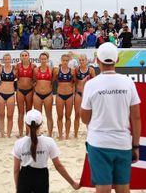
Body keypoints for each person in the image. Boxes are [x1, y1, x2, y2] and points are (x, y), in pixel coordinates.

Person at [81, 42, 141, 193]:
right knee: (123, 189)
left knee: (103, 189)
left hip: (99, 143)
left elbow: (84, 119)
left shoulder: (91, 84)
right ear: (117, 60)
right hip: (123, 143)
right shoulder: (128, 82)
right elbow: (136, 118)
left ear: (97, 60)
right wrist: (136, 146)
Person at [12, 109, 80, 192]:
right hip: (41, 176)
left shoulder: (19, 143)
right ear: (41, 124)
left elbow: (16, 170)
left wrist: (17, 187)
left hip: (25, 177)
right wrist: (72, 183)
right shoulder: (49, 142)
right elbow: (58, 166)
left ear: (26, 124)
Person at [74, 54, 95, 138]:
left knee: (89, 115)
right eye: (80, 60)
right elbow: (75, 82)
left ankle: (90, 133)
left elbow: (95, 83)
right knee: (77, 114)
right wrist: (82, 81)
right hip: (79, 93)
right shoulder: (76, 69)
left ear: (86, 61)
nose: (81, 62)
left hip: (88, 95)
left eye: (83, 60)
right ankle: (75, 134)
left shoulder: (91, 70)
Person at [54, 54, 75, 140]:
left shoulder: (72, 71)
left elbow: (74, 82)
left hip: (69, 95)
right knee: (59, 116)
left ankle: (67, 134)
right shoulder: (57, 71)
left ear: (69, 61)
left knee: (68, 116)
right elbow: (55, 80)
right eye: (63, 60)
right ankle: (60, 134)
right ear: (61, 61)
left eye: (67, 60)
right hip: (60, 95)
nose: (65, 62)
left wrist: (72, 91)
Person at [33, 52, 54, 137]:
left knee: (49, 115)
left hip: (48, 94)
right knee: (38, 115)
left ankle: (50, 134)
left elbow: (53, 80)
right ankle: (37, 133)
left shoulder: (51, 69)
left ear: (47, 59)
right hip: (37, 94)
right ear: (39, 59)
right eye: (41, 59)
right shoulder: (35, 70)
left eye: (45, 59)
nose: (43, 60)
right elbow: (34, 80)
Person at [16, 50, 36, 137]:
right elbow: (17, 78)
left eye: (25, 55)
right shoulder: (17, 66)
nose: (24, 57)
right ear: (20, 57)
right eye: (22, 55)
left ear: (28, 56)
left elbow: (35, 79)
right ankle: (20, 133)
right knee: (20, 113)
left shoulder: (33, 66)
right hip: (20, 90)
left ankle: (28, 132)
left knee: (29, 113)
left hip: (29, 91)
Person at [0, 53, 16, 138]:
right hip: (0, 93)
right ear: (3, 60)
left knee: (10, 115)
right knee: (1, 115)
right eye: (5, 59)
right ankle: (1, 133)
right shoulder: (0, 69)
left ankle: (8, 134)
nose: (7, 60)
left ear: (10, 60)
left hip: (11, 94)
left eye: (8, 59)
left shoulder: (15, 69)